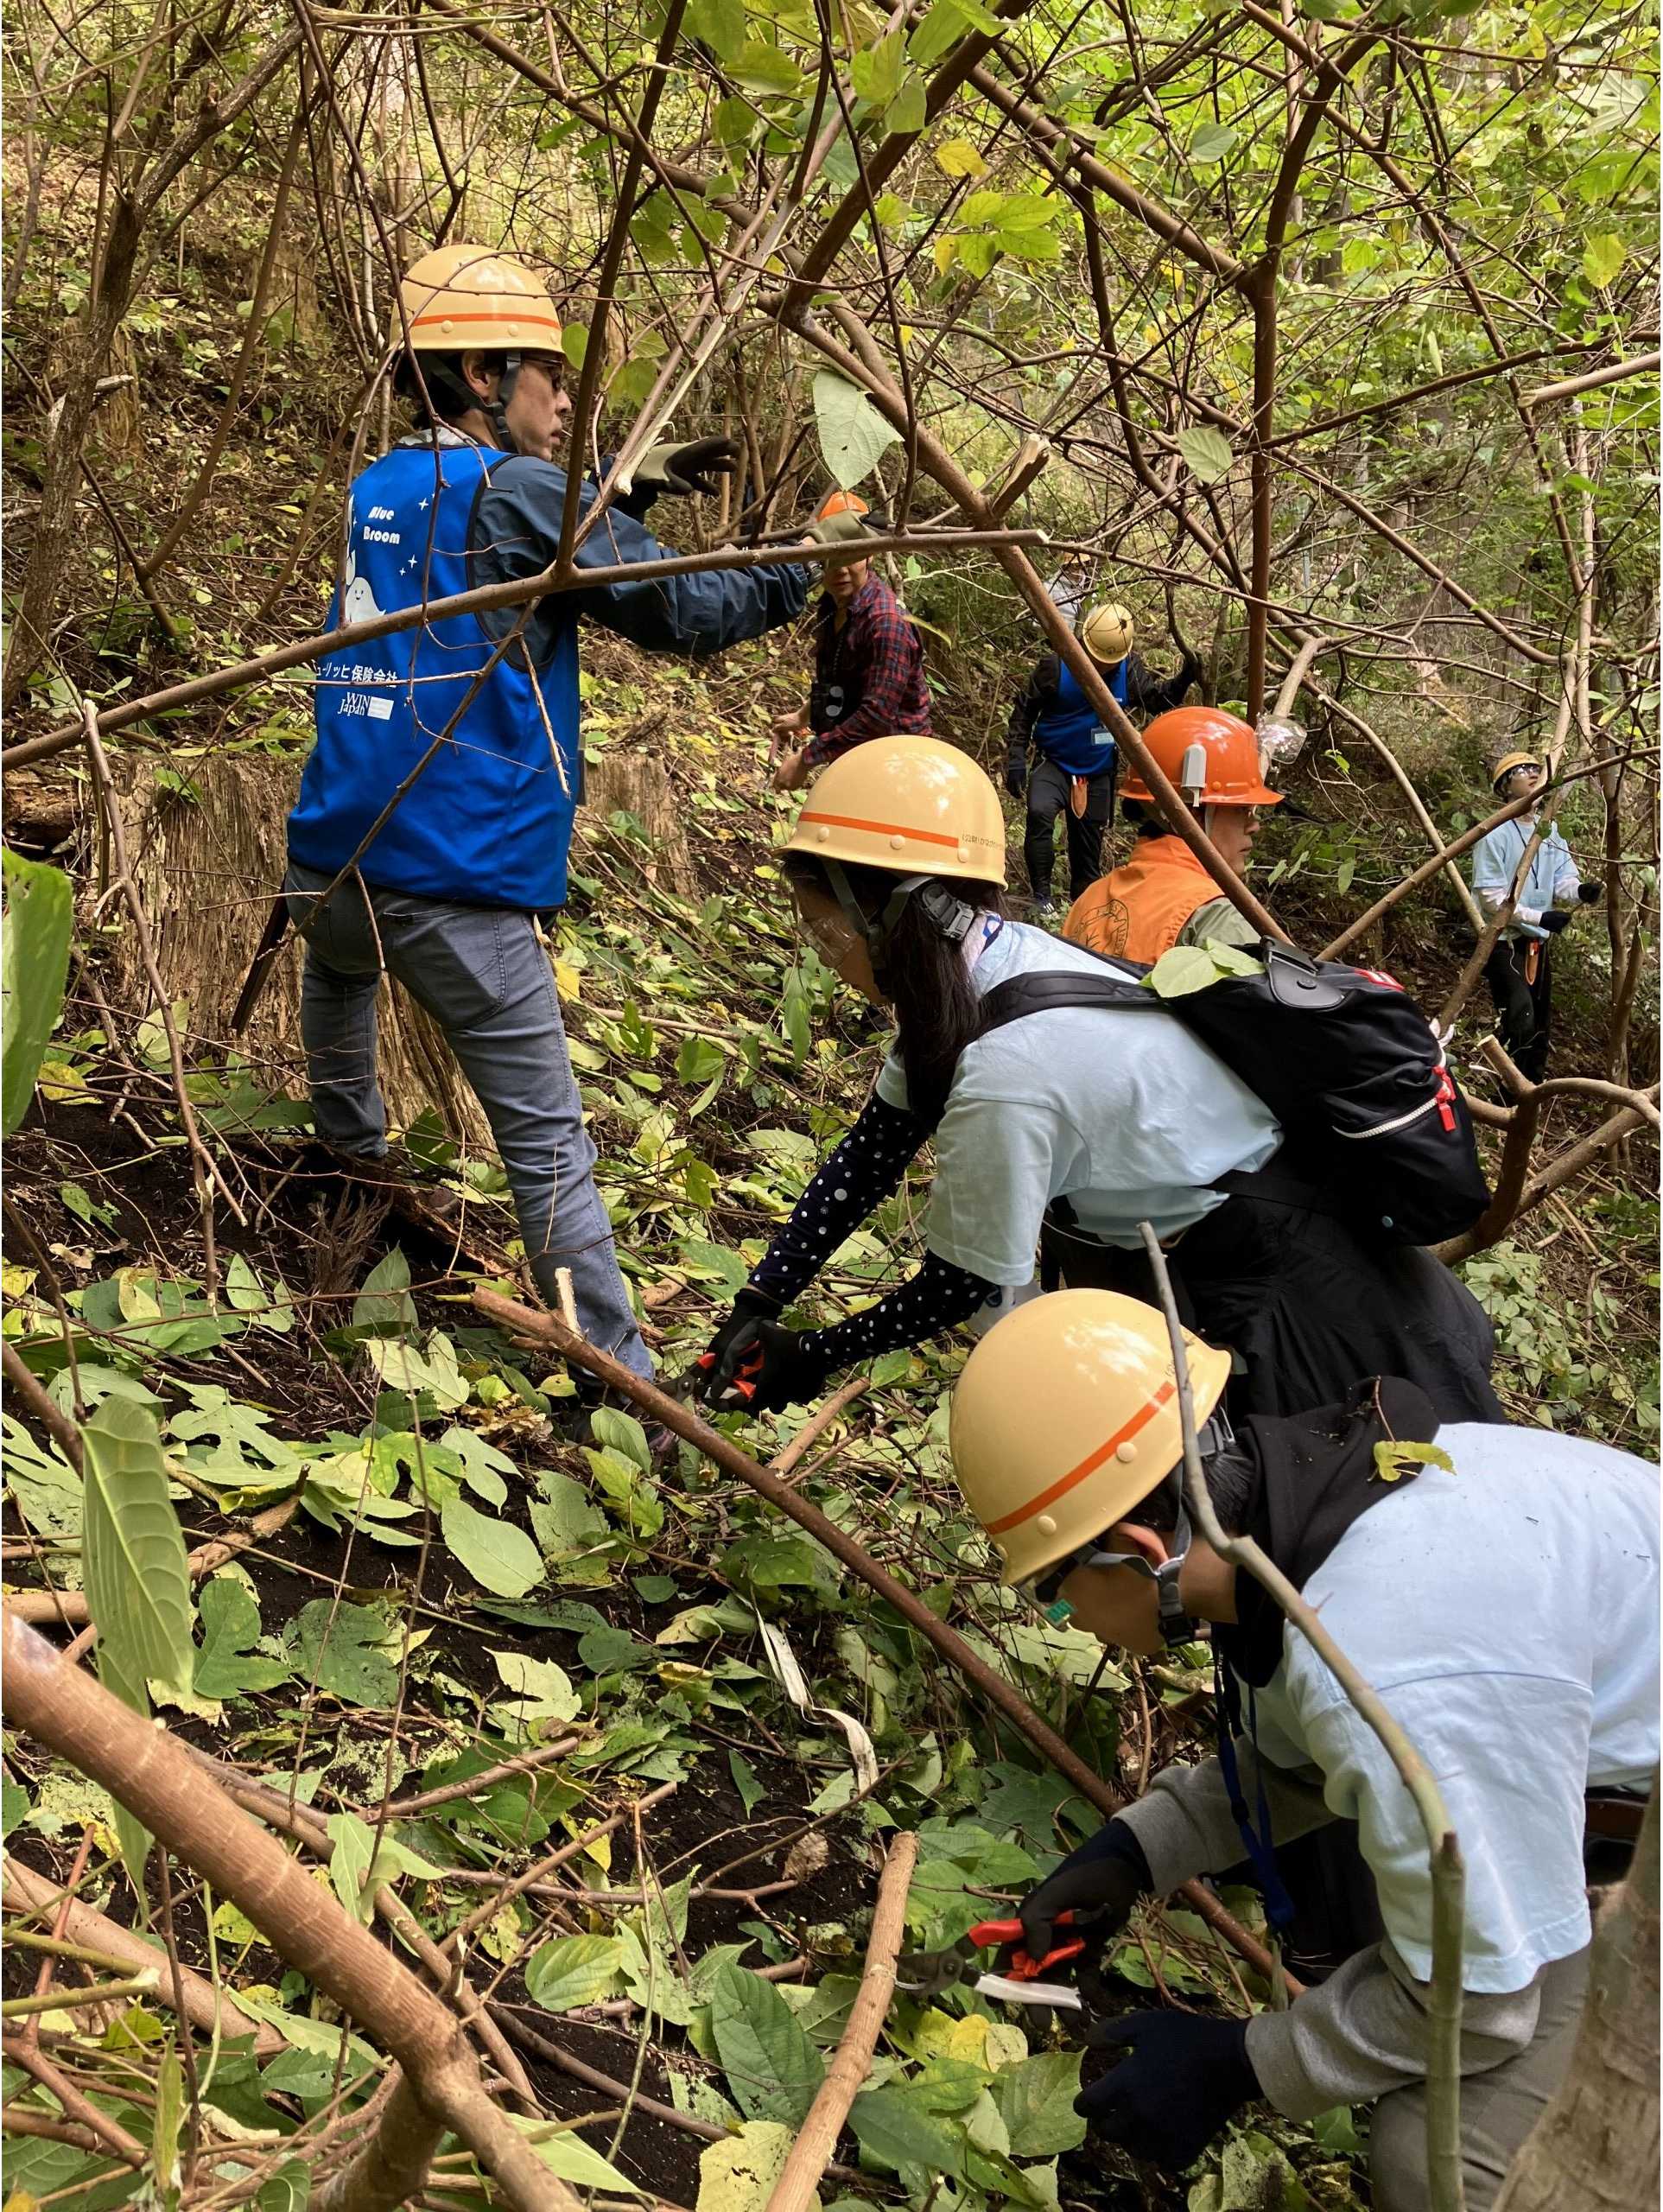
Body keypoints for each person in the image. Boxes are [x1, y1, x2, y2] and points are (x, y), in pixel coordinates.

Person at [947, 1288, 1658, 2212]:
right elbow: (1298, 1763)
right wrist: (1132, 1852)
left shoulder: (1399, 1661)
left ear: (1129, 1550)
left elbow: (1483, 2000)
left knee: (1456, 2168)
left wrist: (1240, 2063)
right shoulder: (1310, 1518)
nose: (1064, 1622)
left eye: (1051, 1595)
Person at [283, 245, 809, 1382]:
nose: (566, 400)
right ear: (480, 374)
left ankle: (350, 1165)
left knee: (338, 976)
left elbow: (492, 528)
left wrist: (617, 483)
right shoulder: (520, 492)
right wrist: (798, 565)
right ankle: (613, 1372)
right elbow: (688, 611)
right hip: (453, 871)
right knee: (543, 1130)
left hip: (332, 853)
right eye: (548, 377)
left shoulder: (379, 483)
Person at [693, 737, 1501, 1426]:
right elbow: (871, 1155)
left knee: (1343, 1511)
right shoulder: (987, 968)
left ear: (894, 913)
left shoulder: (1006, 1071)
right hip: (1239, 1253)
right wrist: (760, 1301)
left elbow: (959, 1284)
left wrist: (813, 1355)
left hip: (1309, 1294)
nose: (822, 949)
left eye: (823, 924)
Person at [1006, 601, 1202, 918]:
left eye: (1109, 662)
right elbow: (1024, 711)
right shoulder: (1056, 666)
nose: (1103, 666)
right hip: (1053, 761)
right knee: (1040, 814)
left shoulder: (1130, 670)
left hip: (1096, 771)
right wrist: (1015, 757)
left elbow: (1157, 700)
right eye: (1098, 658)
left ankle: (1082, 909)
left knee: (1088, 850)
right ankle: (1041, 895)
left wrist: (1184, 679)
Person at [1063, 707, 1279, 961]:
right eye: (1241, 810)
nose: (1254, 825)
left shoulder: (1090, 899)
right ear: (1192, 811)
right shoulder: (1215, 918)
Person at [771, 492, 930, 793]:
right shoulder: (835, 606)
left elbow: (876, 716)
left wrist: (805, 759)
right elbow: (841, 679)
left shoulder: (886, 623)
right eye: (833, 557)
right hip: (855, 756)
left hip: (897, 767)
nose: (841, 570)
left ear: (870, 553)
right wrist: (802, 716)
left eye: (852, 556)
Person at [1469, 751, 1602, 1082]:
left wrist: (1580, 891)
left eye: (1535, 768)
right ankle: (1507, 1091)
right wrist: (1538, 918)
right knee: (1519, 1018)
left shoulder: (1550, 830)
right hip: (1502, 942)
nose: (1531, 773)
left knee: (1540, 1024)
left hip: (1536, 945)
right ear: (1504, 787)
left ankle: (1531, 1095)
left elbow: (1563, 879)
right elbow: (1490, 899)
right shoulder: (1494, 832)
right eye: (1521, 770)